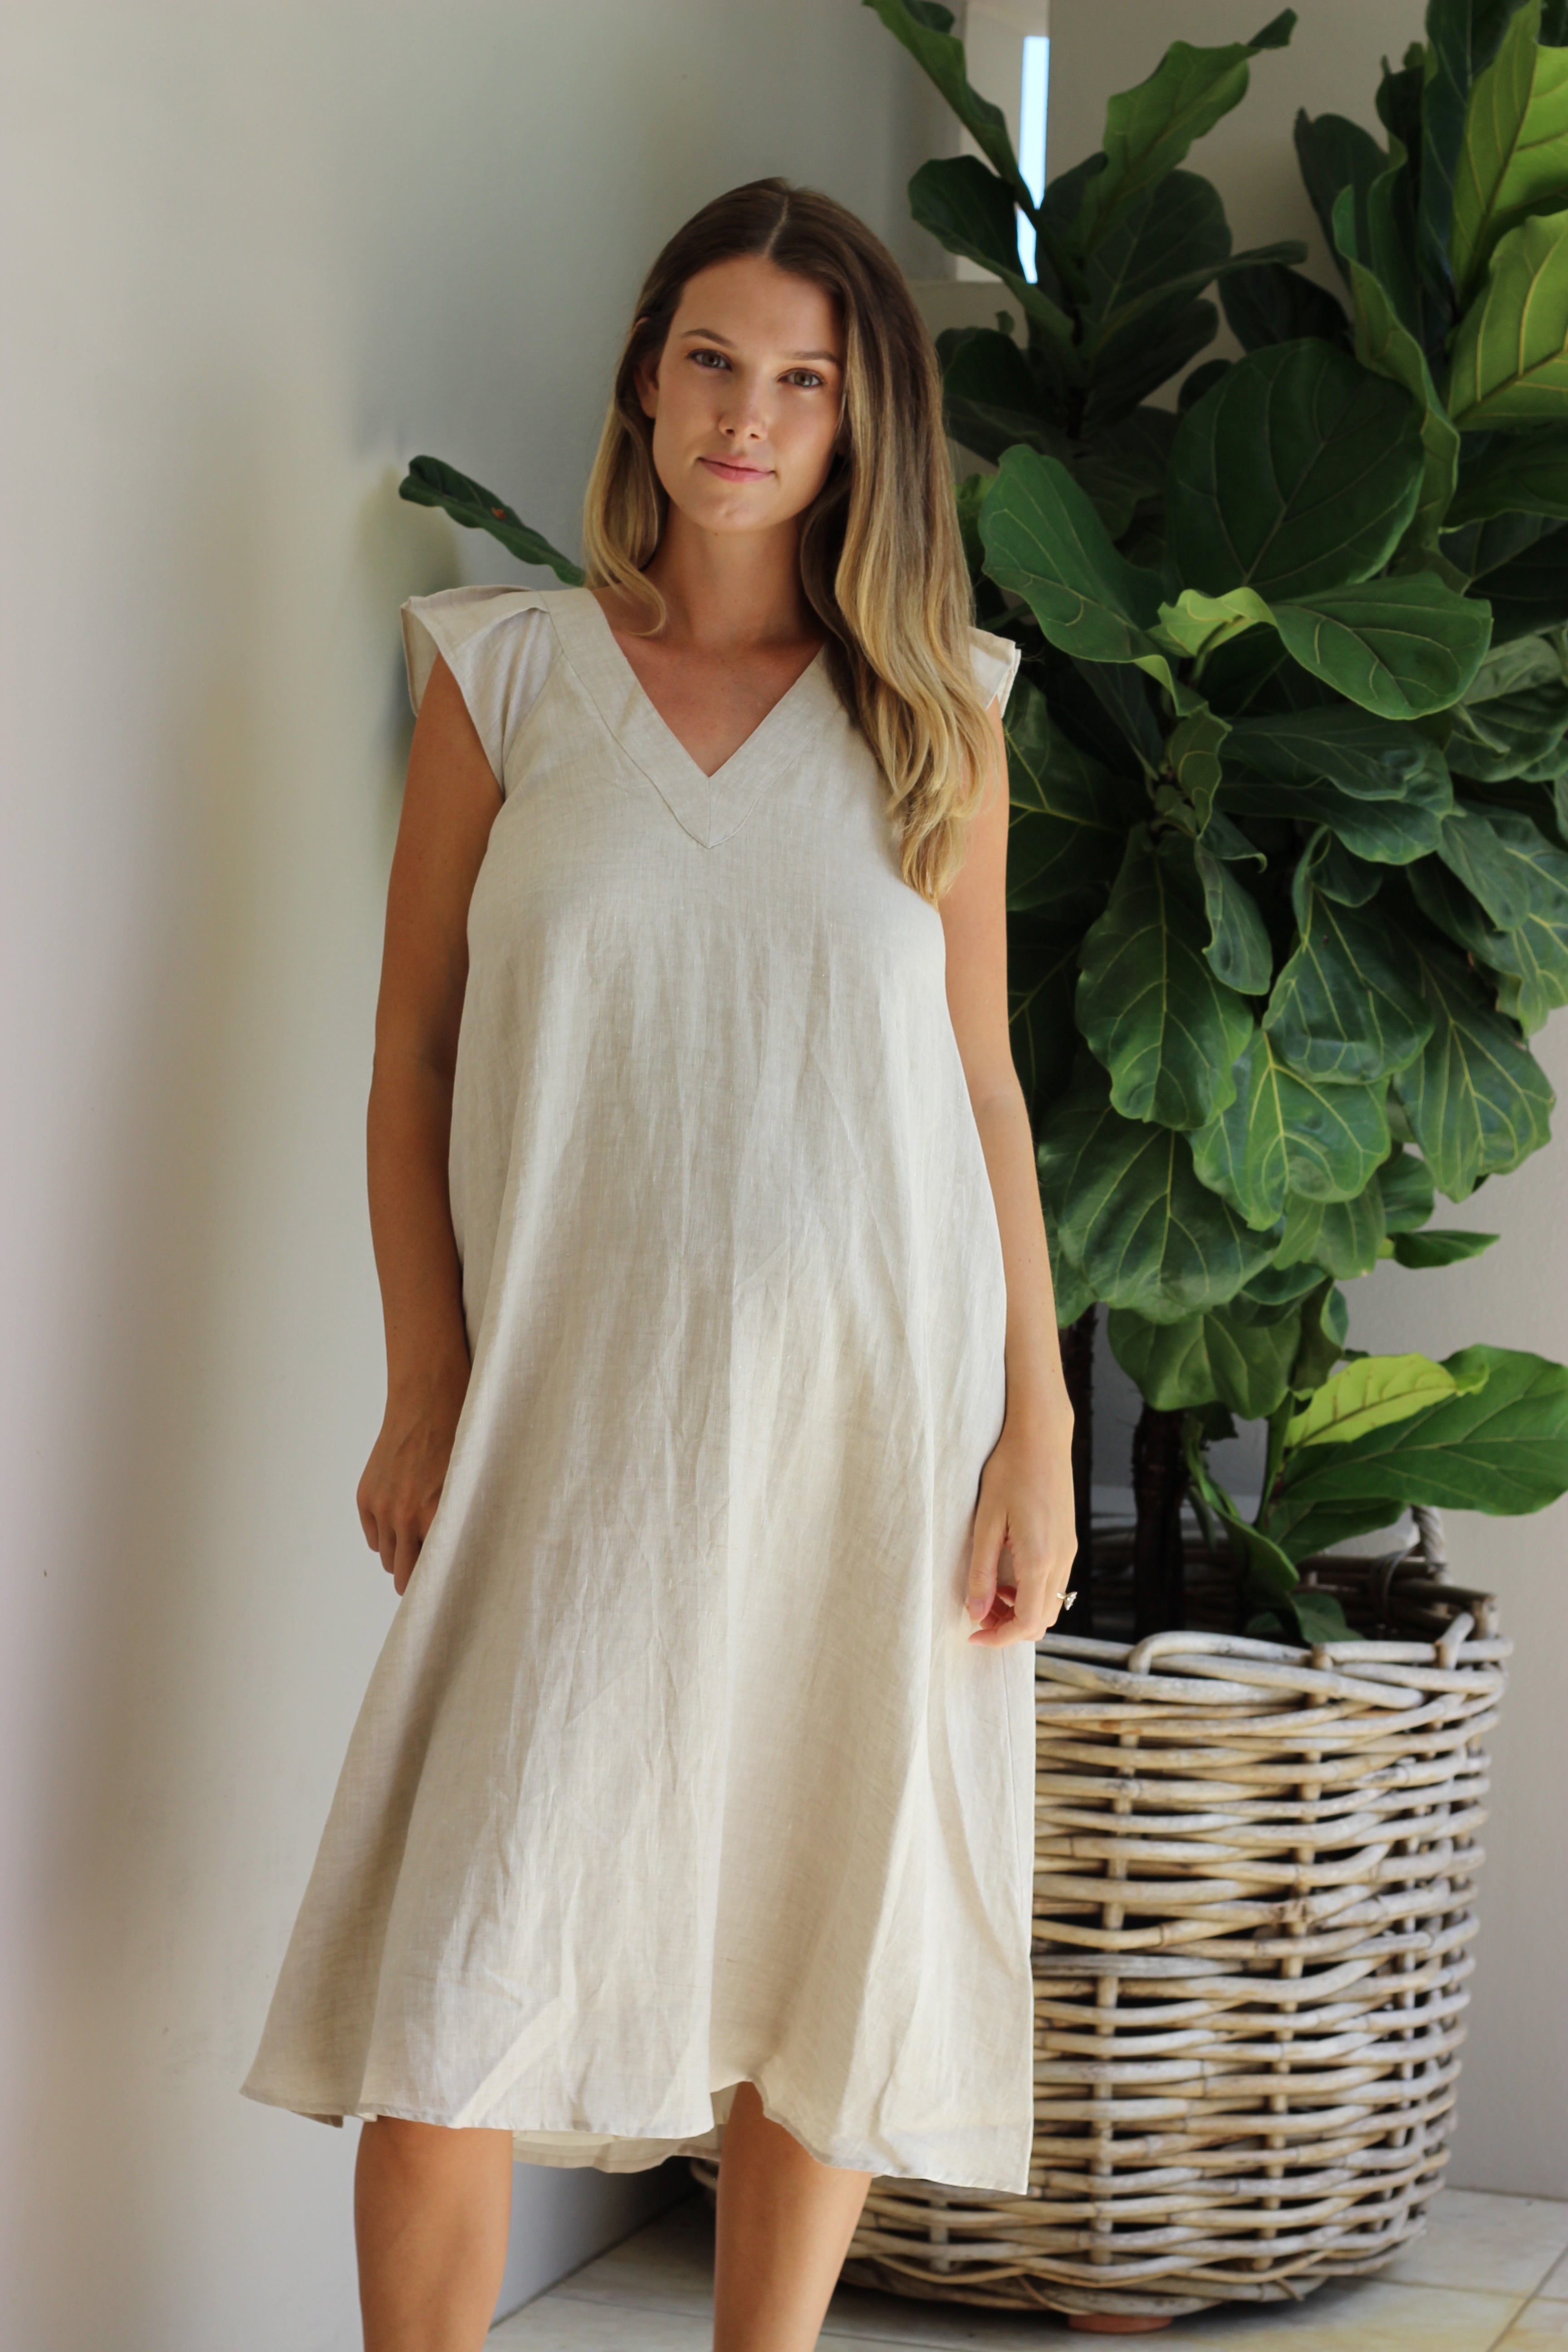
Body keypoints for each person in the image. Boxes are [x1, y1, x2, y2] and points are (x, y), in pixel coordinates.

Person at [240, 175, 1075, 2352]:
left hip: (873, 1421)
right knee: (459, 1984)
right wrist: (426, 1378)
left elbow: (984, 1088)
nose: (748, 415)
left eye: (805, 380)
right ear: (645, 374)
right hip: (572, 1416)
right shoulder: (506, 673)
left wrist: (1037, 1432)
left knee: (821, 1934)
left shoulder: (940, 709)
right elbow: (414, 1054)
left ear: (861, 425)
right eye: (713, 357)